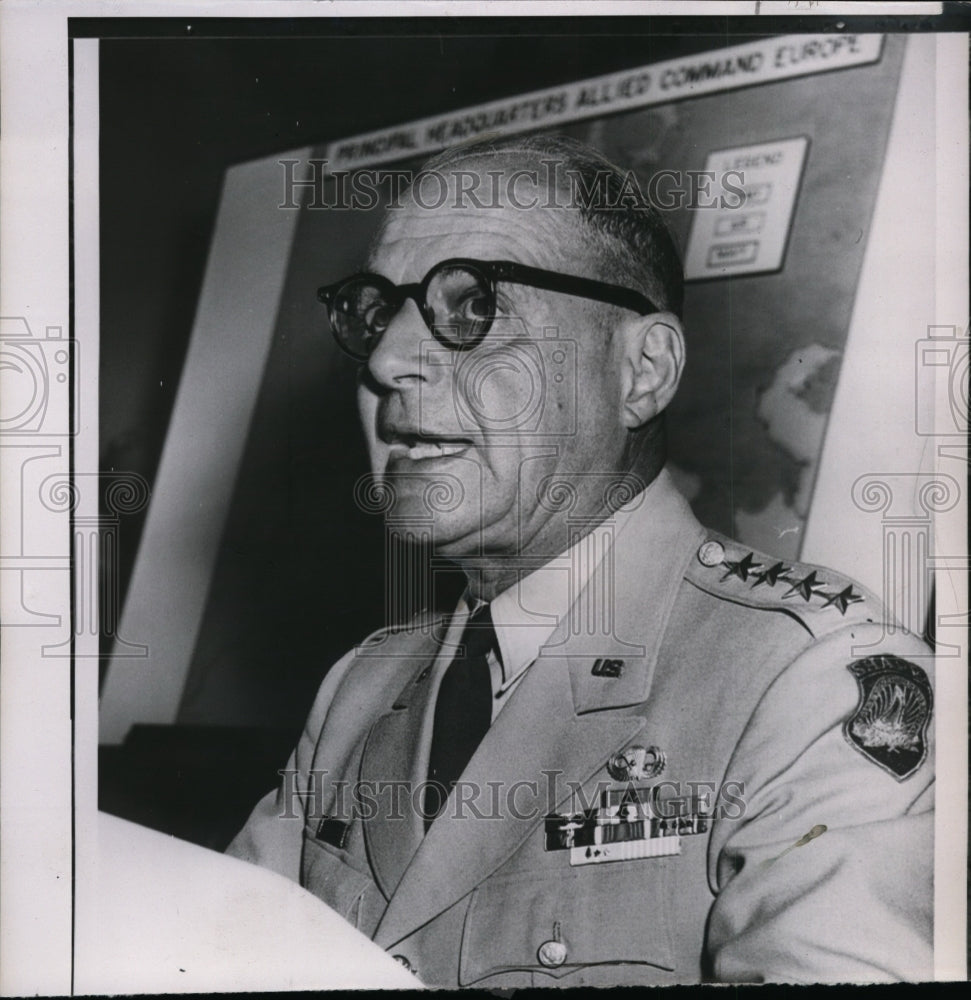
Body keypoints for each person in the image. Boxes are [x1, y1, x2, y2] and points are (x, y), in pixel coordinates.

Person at [227, 134, 934, 986]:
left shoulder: (815, 674)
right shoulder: (362, 685)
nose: (385, 360)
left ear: (641, 370)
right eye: (377, 312)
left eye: (473, 304)